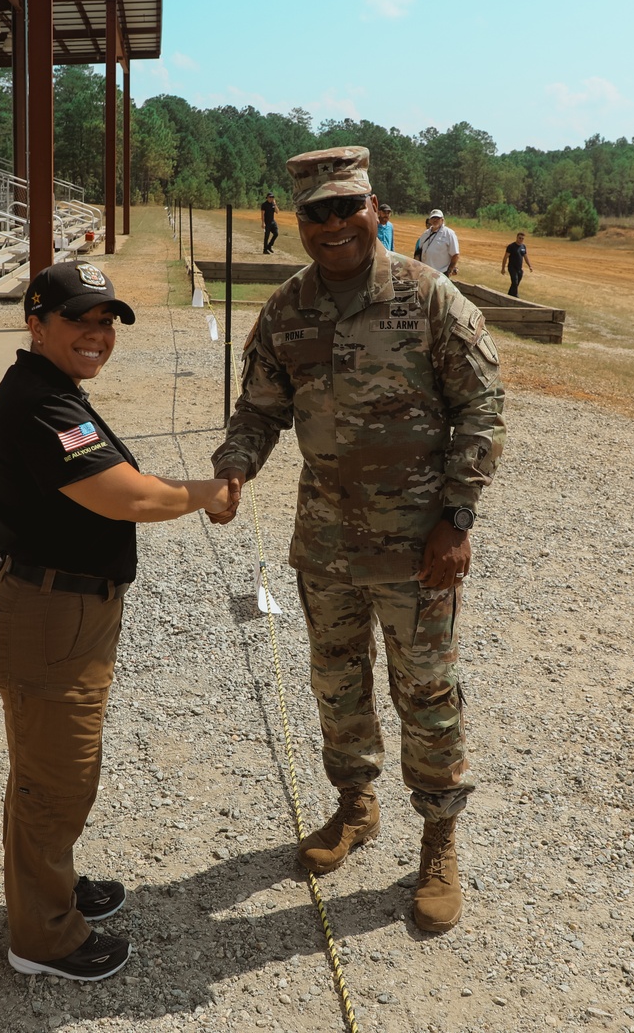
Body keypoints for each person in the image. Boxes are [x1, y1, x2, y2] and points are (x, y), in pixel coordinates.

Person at [209, 147, 505, 933]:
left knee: (427, 691)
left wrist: (458, 517)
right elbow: (259, 408)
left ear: (377, 207)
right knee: (336, 683)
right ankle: (355, 805)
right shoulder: (288, 309)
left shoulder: (428, 297)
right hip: (327, 541)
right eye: (316, 212)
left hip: (419, 545)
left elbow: (482, 409)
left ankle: (438, 839)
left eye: (347, 208)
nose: (333, 224)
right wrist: (235, 468)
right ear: (297, 220)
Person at [0, 261, 230, 981]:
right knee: (55, 779)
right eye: (80, 319)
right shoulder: (44, 402)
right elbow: (125, 497)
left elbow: (30, 492)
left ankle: (50, 888)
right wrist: (205, 492)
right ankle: (42, 938)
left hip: (59, 605)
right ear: (36, 323)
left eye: (106, 321)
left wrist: (7, 552)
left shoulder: (51, 389)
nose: (98, 334)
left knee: (54, 770)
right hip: (53, 614)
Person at [418, 208, 460, 277]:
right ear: (430, 220)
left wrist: (449, 271)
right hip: (425, 273)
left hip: (441, 274)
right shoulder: (425, 234)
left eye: (438, 218)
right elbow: (419, 252)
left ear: (442, 220)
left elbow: (455, 255)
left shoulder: (449, 234)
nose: (435, 220)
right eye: (433, 218)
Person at [500, 231, 533, 298]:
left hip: (519, 268)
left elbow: (526, 257)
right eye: (520, 238)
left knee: (516, 283)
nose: (521, 240)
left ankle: (509, 295)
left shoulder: (523, 247)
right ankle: (515, 296)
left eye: (522, 238)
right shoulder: (511, 246)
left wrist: (530, 266)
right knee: (515, 281)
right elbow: (505, 258)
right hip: (512, 267)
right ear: (517, 238)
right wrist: (503, 268)